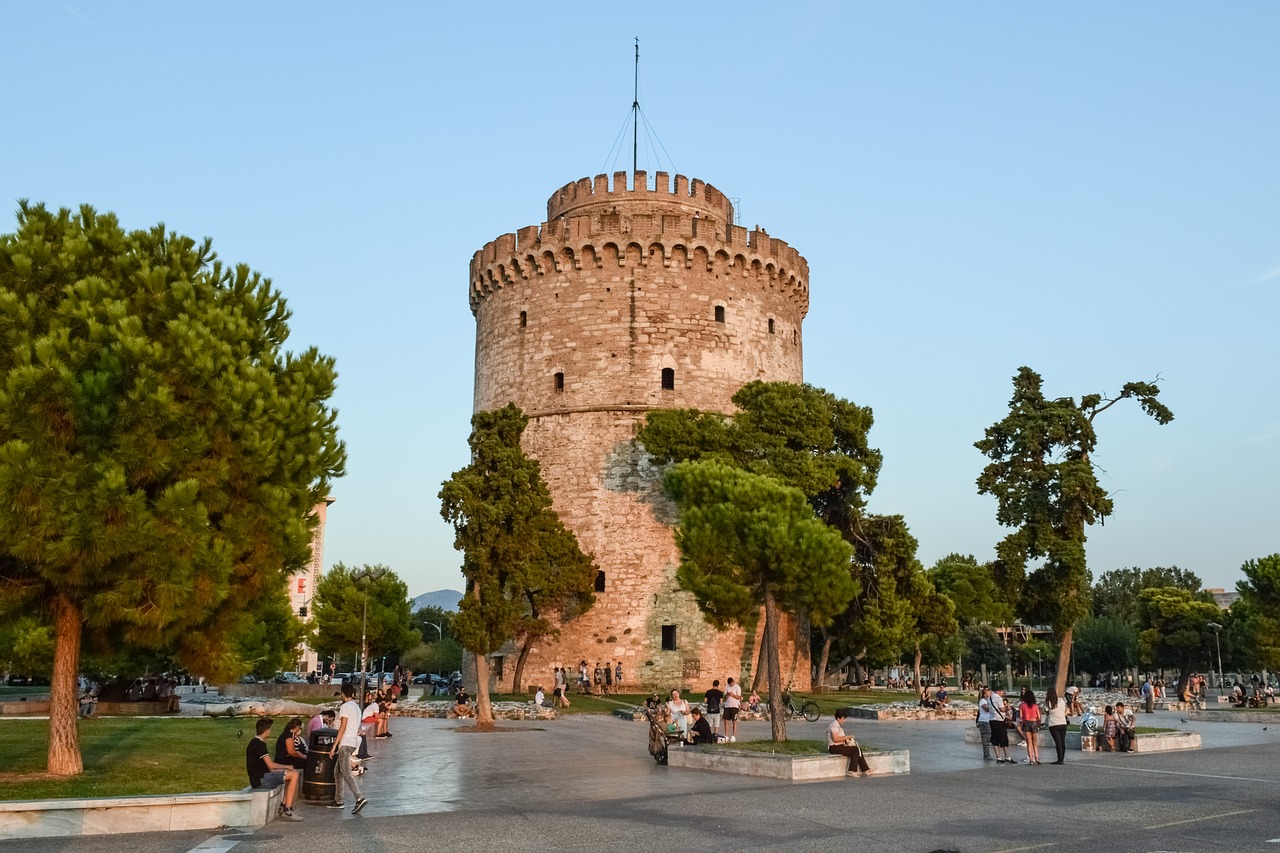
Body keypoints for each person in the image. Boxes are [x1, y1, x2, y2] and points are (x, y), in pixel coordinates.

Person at [246, 717, 303, 821]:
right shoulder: (259, 744)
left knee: (289, 774)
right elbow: (270, 765)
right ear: (267, 731)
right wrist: (286, 766)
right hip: (261, 780)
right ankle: (287, 809)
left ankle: (285, 804)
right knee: (294, 774)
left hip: (261, 776)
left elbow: (265, 766)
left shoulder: (254, 743)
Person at [328, 682, 369, 814]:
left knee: (345, 772)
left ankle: (359, 797)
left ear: (343, 694)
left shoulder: (345, 707)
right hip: (353, 742)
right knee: (337, 772)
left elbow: (343, 727)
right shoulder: (357, 708)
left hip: (345, 743)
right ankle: (339, 800)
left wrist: (334, 746)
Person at [827, 708, 872, 777]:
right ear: (840, 718)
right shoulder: (834, 726)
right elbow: (835, 739)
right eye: (844, 719)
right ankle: (852, 770)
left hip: (839, 746)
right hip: (834, 747)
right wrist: (847, 737)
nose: (844, 721)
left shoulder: (837, 725)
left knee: (858, 749)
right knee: (855, 750)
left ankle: (865, 769)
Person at [988, 686, 1014, 764]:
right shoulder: (998, 698)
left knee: (995, 738)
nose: (1002, 693)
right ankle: (1007, 757)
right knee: (1003, 738)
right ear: (999, 691)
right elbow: (1002, 709)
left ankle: (998, 757)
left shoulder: (989, 698)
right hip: (999, 720)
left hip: (992, 720)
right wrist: (1007, 708)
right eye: (1002, 692)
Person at [1044, 686, 1068, 764]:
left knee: (1058, 742)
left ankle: (1059, 759)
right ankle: (1062, 758)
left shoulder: (1048, 703)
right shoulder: (1061, 700)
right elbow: (1064, 709)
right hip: (1063, 722)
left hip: (1054, 724)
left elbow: (1047, 712)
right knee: (1062, 741)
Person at [1018, 687, 1042, 764]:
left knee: (1029, 742)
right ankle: (1037, 758)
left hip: (1026, 723)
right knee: (1035, 742)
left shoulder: (1022, 705)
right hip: (1034, 722)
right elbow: (1038, 716)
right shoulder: (1035, 706)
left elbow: (1021, 716)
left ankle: (1031, 759)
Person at [975, 687, 995, 762]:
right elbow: (986, 709)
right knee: (985, 738)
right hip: (983, 721)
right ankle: (986, 755)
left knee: (989, 737)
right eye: (989, 693)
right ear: (985, 694)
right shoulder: (983, 701)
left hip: (988, 721)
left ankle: (987, 754)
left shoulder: (989, 701)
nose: (990, 694)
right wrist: (992, 705)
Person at [723, 677, 742, 742]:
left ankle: (733, 736)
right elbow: (725, 696)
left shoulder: (737, 687)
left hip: (734, 706)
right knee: (726, 720)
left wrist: (733, 694)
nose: (731, 685)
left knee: (734, 720)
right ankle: (726, 735)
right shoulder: (726, 687)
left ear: (733, 682)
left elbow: (739, 697)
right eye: (729, 684)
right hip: (727, 705)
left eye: (731, 684)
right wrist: (727, 694)